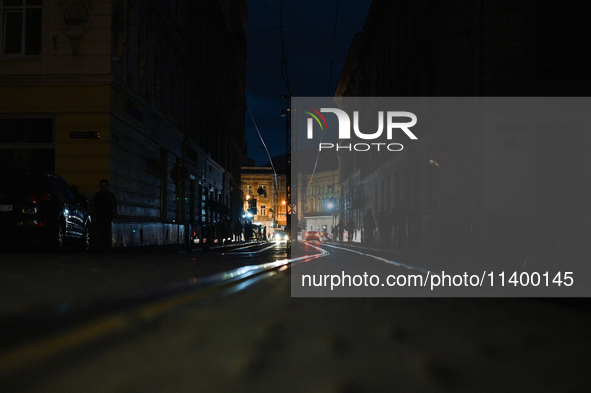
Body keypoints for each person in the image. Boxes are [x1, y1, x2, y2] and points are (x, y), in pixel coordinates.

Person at [91, 179, 117, 252]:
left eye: (104, 186)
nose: (103, 188)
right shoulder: (98, 195)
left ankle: (105, 247)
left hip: (106, 216)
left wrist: (112, 215)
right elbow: (93, 205)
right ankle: (102, 247)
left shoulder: (109, 195)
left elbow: (114, 206)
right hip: (100, 216)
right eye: (102, 186)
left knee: (106, 233)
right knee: (101, 232)